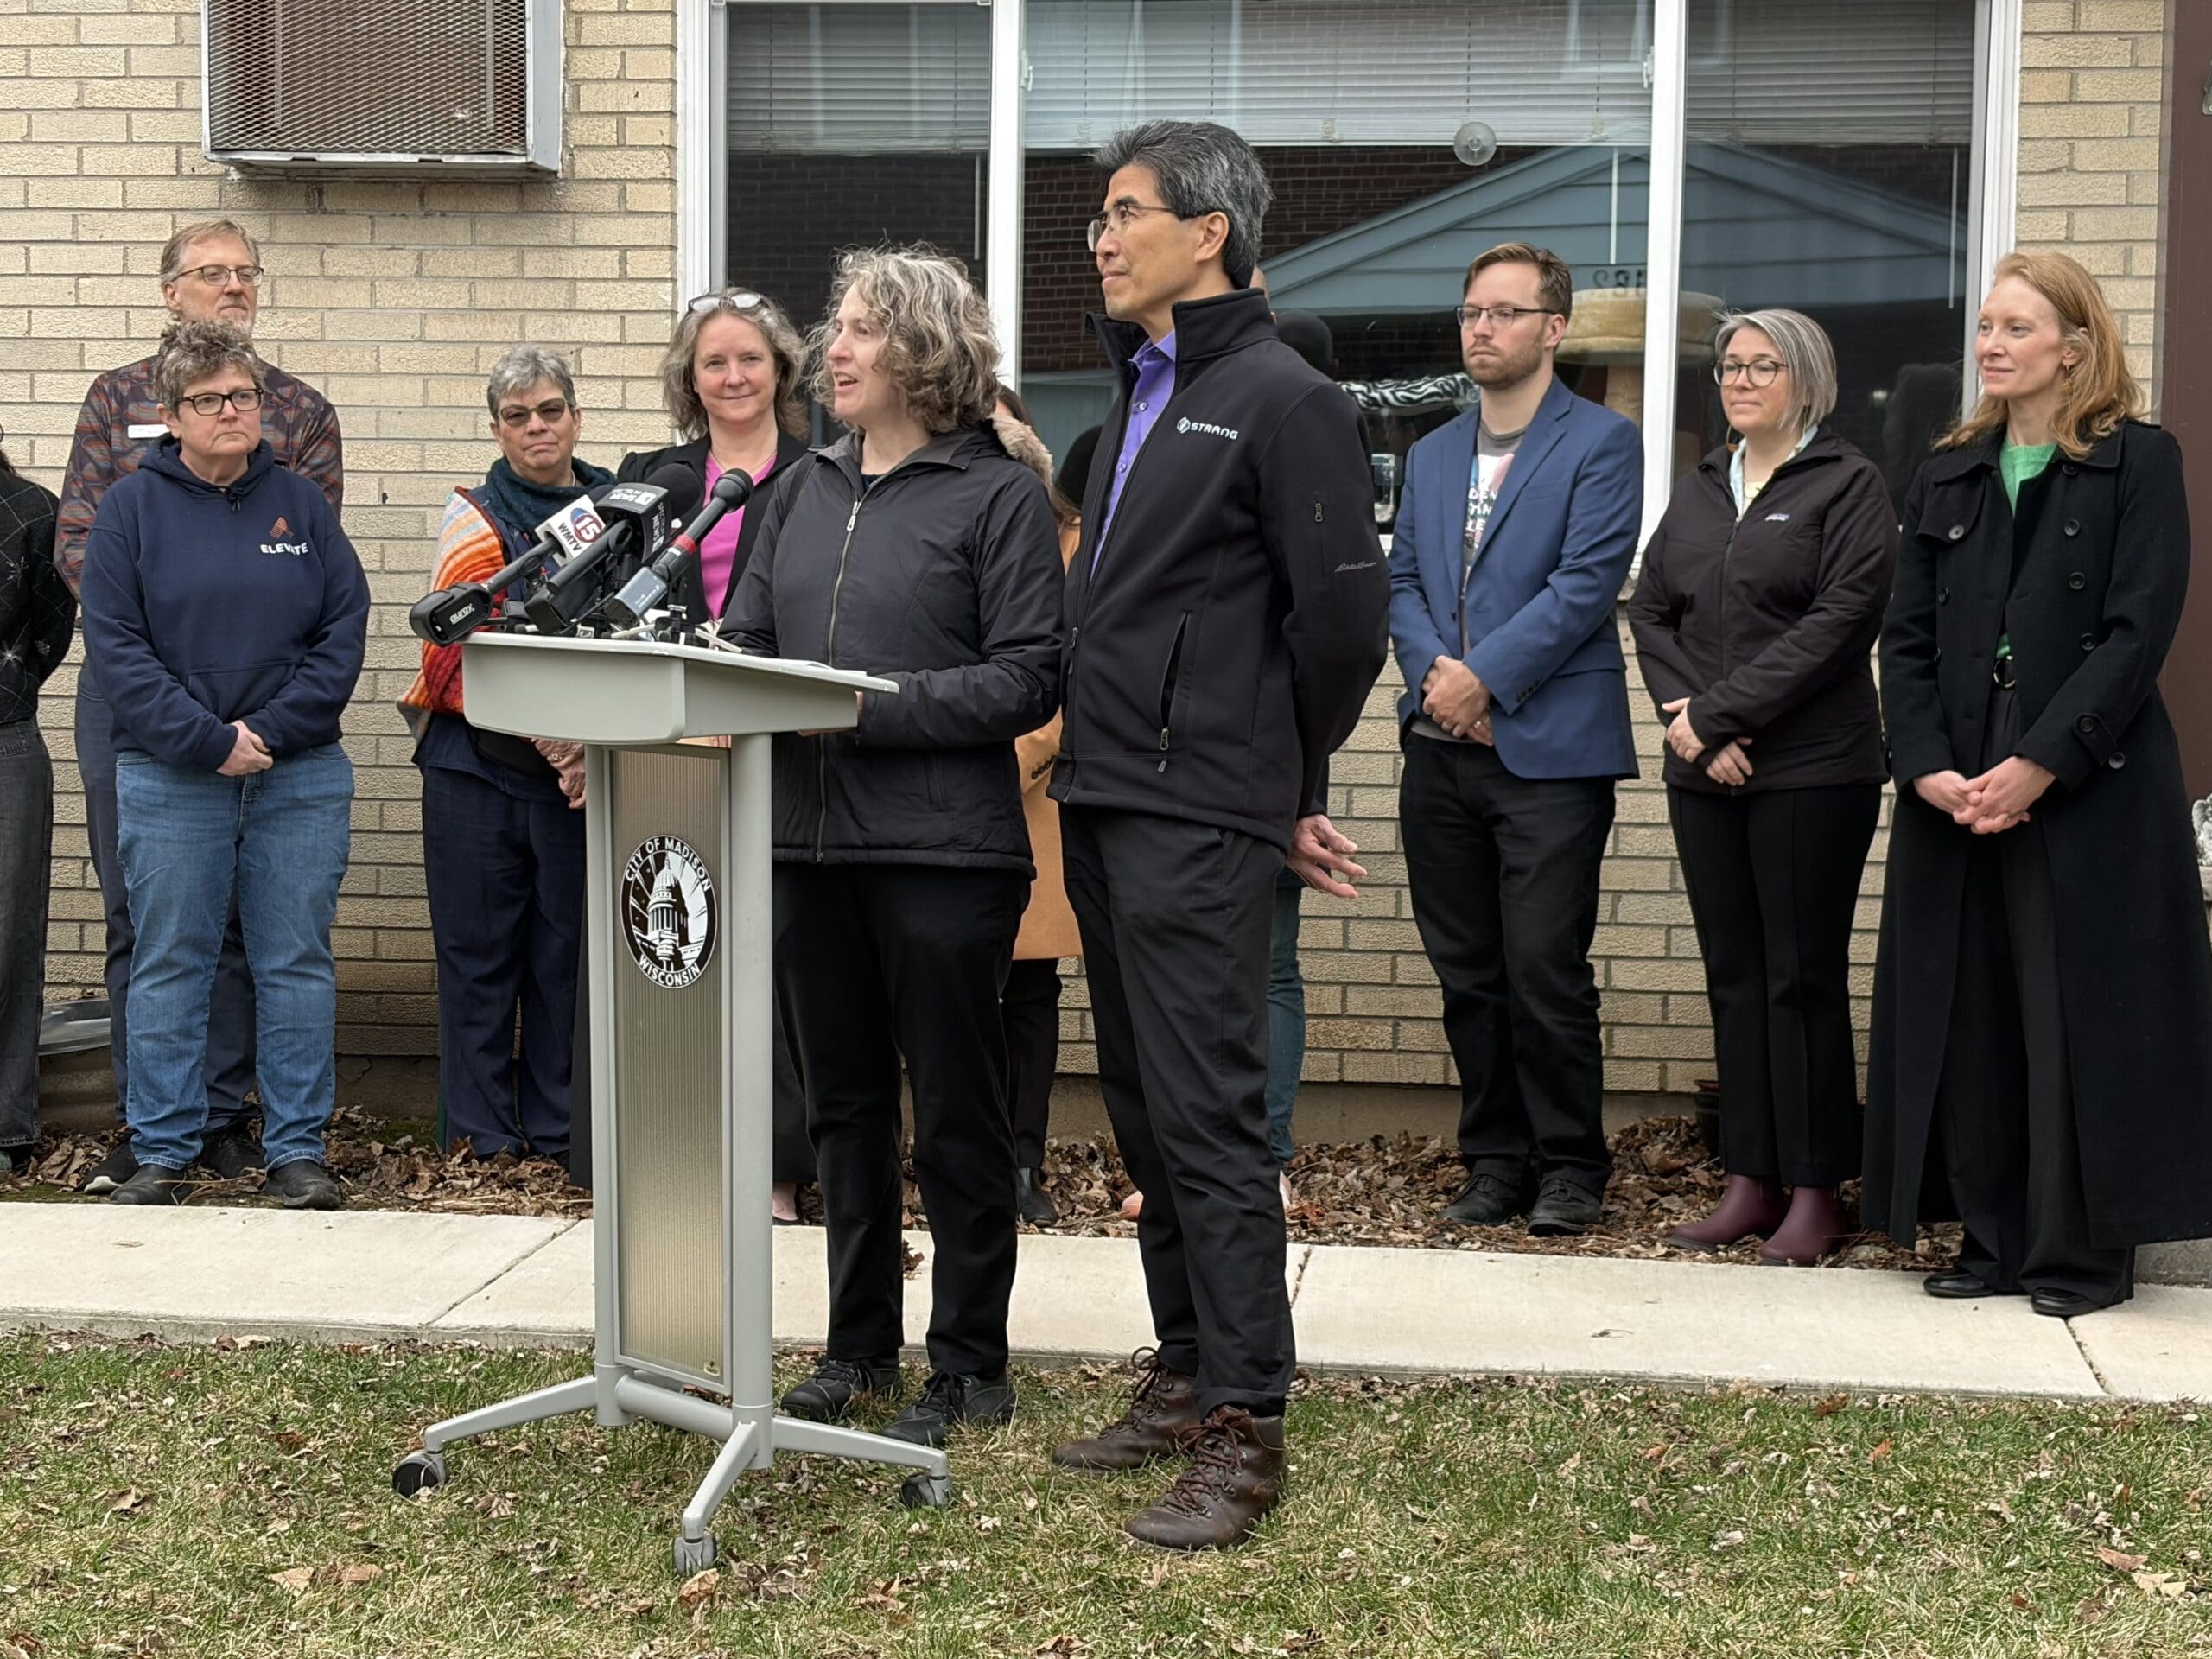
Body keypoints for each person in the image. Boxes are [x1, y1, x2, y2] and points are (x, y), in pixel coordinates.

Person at [1046, 120, 1387, 1552]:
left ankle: (1247, 1426)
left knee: (1208, 1116)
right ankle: (1185, 1373)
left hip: (1199, 811)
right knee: (1142, 1108)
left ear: (1213, 234)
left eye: (1127, 214)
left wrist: (1274, 780)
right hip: (1107, 799)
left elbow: (1346, 624)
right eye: (1101, 216)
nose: (1101, 237)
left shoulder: (1286, 401)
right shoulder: (1137, 394)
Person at [725, 246, 1063, 1449]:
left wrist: (870, 706)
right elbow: (746, 636)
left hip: (945, 855)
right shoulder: (799, 488)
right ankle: (858, 1349)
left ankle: (970, 1362)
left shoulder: (998, 495)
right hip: (807, 851)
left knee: (959, 1116)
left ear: (924, 350)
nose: (837, 348)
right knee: (843, 1113)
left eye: (864, 327)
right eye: (838, 325)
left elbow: (1028, 678)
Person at [1866, 251, 2212, 1316]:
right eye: (1983, 328)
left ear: (2074, 344)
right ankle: (1992, 1238)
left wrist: (2040, 764)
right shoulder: (1947, 468)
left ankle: (2076, 1257)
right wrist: (1924, 765)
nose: (1989, 347)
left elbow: (2133, 633)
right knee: (1968, 1009)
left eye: (2015, 328)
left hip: (2085, 775)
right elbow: (1905, 636)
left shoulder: (2137, 463)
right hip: (1956, 773)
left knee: (2072, 1013)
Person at [56, 219, 344, 1194]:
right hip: (153, 721)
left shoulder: (298, 413)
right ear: (171, 291)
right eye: (211, 274)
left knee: (265, 942)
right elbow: (87, 559)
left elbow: (319, 595)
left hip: (278, 734)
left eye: (244, 273)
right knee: (153, 930)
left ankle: (244, 1127)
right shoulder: (117, 402)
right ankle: (157, 1135)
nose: (232, 287)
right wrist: (197, 728)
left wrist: (263, 726)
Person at [1627, 309, 1897, 1265]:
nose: (1739, 381)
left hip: (1811, 772)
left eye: (1761, 366)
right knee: (1735, 979)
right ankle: (1750, 1179)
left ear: (1806, 379)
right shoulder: (1701, 486)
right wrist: (1688, 721)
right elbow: (1651, 608)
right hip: (1706, 769)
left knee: (1800, 981)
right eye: (1729, 366)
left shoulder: (1848, 486)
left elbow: (1837, 624)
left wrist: (1721, 717)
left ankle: (1818, 1193)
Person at [1387, 242, 1642, 1239]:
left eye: (1503, 312)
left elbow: (1585, 585)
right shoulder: (1431, 452)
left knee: (1543, 969)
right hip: (1440, 750)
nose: (1480, 329)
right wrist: (1436, 685)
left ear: (1553, 327)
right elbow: (1402, 582)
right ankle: (1494, 1160)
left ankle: (1572, 1164)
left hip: (1548, 753)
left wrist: (1483, 678)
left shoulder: (1601, 443)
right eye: (1469, 312)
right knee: (1468, 973)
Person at [618, 289, 817, 1219]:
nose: (733, 376)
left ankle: (776, 1167)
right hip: (668, 753)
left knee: (777, 963)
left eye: (749, 359)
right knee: (678, 950)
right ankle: (673, 1154)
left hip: (781, 756)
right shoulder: (651, 477)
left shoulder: (824, 474)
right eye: (713, 362)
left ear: (780, 369)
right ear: (688, 381)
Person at [401, 347, 607, 1167]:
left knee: (563, 960)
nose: (537, 428)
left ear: (575, 417)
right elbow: (457, 651)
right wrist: (558, 741)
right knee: (478, 958)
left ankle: (559, 1131)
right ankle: (481, 1139)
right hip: (475, 768)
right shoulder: (473, 515)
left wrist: (588, 746)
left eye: (550, 410)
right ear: (496, 429)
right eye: (517, 417)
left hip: (581, 777)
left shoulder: (612, 510)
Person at [989, 386, 1081, 1230]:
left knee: (1027, 990)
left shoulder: (1069, 543)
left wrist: (1009, 757)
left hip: (1030, 798)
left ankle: (1021, 1161)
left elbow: (1068, 676)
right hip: (932, 794)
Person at [0, 429, 75, 1174]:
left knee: (7, 937)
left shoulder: (31, 511)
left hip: (6, 743)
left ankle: (4, 1125)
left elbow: (52, 631)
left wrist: (10, 688)